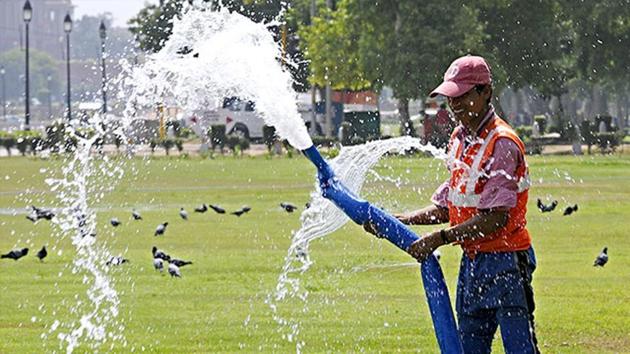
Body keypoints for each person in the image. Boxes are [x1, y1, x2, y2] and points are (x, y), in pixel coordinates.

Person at [365, 55, 539, 354]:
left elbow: (495, 218)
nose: (455, 106)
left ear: (486, 93)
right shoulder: (460, 139)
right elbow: (449, 207)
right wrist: (396, 221)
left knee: (519, 348)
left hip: (507, 262)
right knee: (467, 348)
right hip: (473, 263)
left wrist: (439, 238)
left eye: (462, 96)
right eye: (450, 99)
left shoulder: (503, 143)